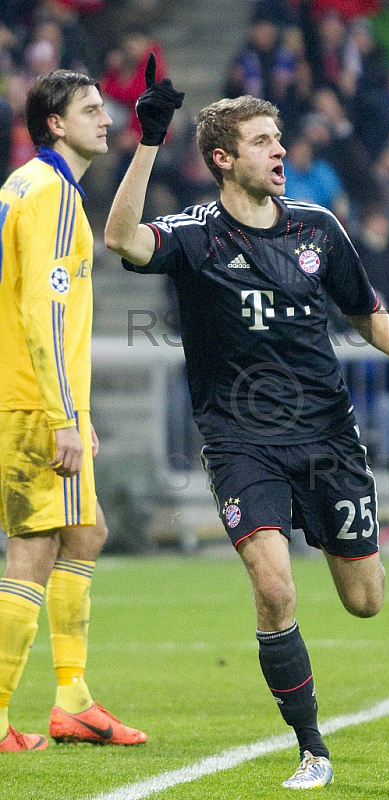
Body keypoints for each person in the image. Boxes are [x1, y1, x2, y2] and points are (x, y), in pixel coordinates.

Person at [105, 53, 389, 788]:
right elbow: (122, 240)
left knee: (365, 601)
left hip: (325, 433)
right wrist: (148, 144)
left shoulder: (317, 227)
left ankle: (341, 555)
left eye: (278, 139)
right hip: (238, 437)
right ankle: (312, 747)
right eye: (261, 141)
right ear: (223, 159)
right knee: (275, 586)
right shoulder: (194, 231)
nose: (280, 150)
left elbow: (363, 305)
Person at [0, 69, 147, 751]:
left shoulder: (23, 187)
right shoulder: (54, 195)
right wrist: (63, 416)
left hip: (36, 396)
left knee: (84, 531)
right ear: (54, 123)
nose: (106, 118)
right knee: (33, 547)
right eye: (90, 109)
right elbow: (44, 314)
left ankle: (72, 701)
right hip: (34, 401)